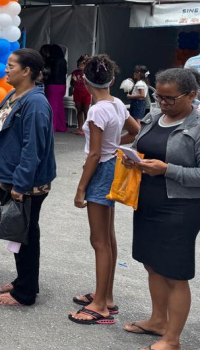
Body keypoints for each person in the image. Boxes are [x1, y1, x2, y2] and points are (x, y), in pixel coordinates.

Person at [122, 68, 200, 350]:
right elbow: (141, 143)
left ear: (192, 95)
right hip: (146, 200)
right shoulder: (154, 115)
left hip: (181, 206)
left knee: (175, 273)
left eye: (171, 98)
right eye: (160, 96)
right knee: (151, 264)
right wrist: (134, 158)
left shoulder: (197, 125)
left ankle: (172, 339)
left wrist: (168, 170)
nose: (163, 103)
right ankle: (158, 321)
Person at [69, 55, 140, 325]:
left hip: (100, 172)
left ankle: (100, 305)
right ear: (112, 80)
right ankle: (105, 296)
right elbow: (135, 131)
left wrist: (80, 189)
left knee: (99, 241)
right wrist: (115, 146)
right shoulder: (118, 103)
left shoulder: (97, 110)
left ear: (85, 82)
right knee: (107, 238)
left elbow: (95, 154)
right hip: (113, 167)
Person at [0, 49, 56, 307]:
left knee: (25, 233)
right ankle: (24, 280)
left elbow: (32, 148)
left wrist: (21, 185)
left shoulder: (36, 103)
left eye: (11, 65)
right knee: (18, 230)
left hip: (25, 182)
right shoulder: (15, 95)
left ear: (27, 71)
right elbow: (11, 131)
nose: (5, 69)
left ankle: (25, 293)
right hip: (11, 176)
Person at [43, 44, 69, 133]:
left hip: (53, 85)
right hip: (62, 85)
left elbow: (53, 74)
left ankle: (51, 127)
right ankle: (61, 126)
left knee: (52, 106)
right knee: (60, 107)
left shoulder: (54, 61)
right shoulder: (63, 61)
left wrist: (45, 73)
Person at [70, 55, 91, 136]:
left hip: (86, 93)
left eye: (81, 65)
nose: (79, 66)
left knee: (86, 111)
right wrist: (73, 80)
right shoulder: (74, 73)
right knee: (79, 110)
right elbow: (72, 84)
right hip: (77, 93)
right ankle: (80, 128)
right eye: (78, 64)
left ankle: (87, 128)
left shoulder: (88, 73)